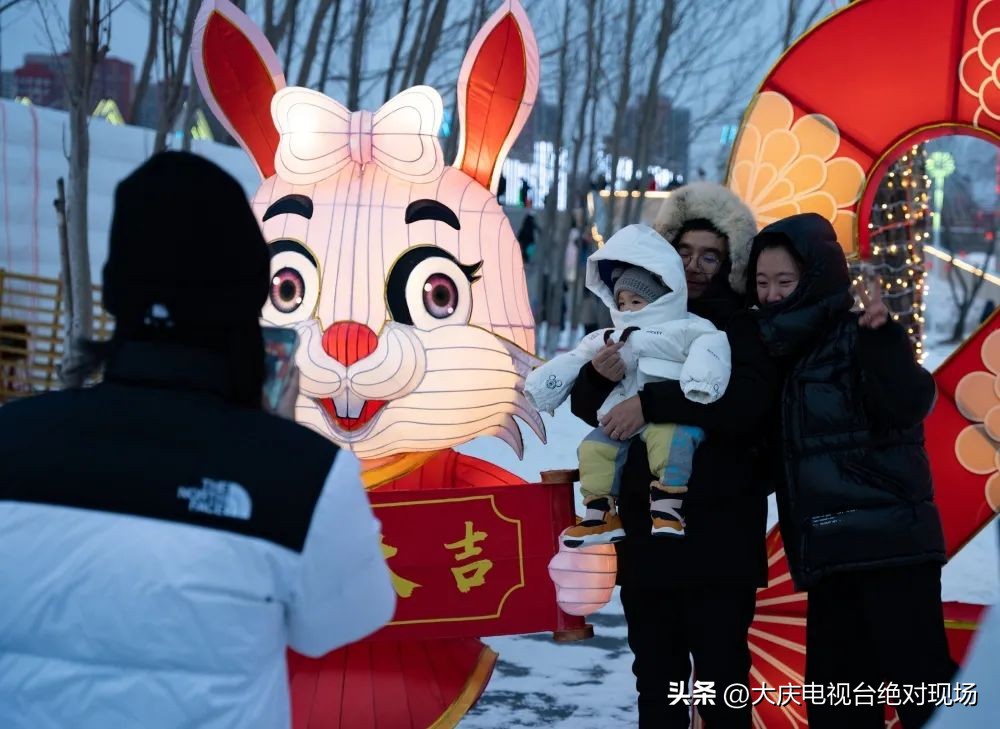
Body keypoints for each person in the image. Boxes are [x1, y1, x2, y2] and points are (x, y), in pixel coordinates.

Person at [0, 152, 396, 729]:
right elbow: (344, 622)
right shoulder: (301, 478)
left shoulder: (11, 438)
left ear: (116, 291)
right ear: (249, 295)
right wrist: (276, 444)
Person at [569, 182, 771, 728]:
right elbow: (593, 409)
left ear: (730, 262)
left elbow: (746, 406)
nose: (698, 267)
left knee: (719, 679)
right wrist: (598, 375)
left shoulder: (741, 326)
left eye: (712, 255)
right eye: (685, 254)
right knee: (656, 679)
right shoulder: (635, 318)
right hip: (647, 532)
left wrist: (650, 402)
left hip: (720, 532)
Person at [748, 212, 957, 729]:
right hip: (830, 554)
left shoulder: (858, 333)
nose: (772, 295)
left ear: (816, 278)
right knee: (839, 706)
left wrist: (885, 345)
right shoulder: (772, 352)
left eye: (785, 282)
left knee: (923, 694)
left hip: (891, 552)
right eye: (761, 282)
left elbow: (910, 401)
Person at [526, 224, 730, 547]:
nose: (694, 265)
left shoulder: (692, 328)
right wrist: (555, 384)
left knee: (669, 441)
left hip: (713, 518)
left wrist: (695, 386)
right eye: (622, 302)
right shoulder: (612, 335)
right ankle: (600, 512)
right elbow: (577, 364)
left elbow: (712, 353)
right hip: (632, 498)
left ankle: (667, 504)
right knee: (592, 449)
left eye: (709, 257)